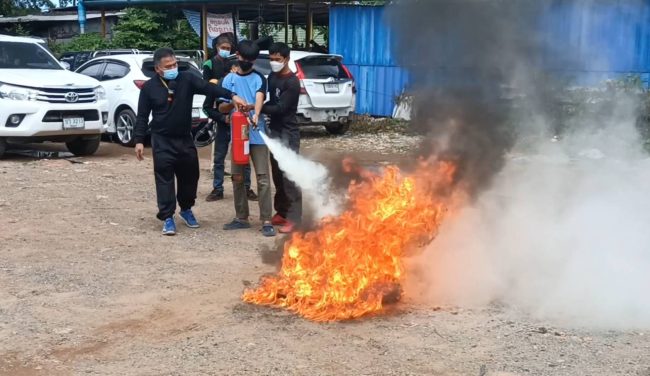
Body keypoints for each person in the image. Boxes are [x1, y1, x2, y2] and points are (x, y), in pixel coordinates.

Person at [134, 47, 246, 236]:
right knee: (164, 178)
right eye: (168, 66)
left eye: (175, 64)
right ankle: (167, 217)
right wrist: (138, 140)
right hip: (162, 140)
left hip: (185, 138)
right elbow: (142, 116)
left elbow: (209, 87)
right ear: (158, 69)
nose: (173, 68)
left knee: (190, 176)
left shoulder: (186, 79)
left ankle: (186, 209)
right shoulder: (149, 88)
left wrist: (231, 95)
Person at [217, 40, 276, 237]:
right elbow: (221, 106)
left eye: (251, 60)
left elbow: (259, 97)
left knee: (263, 178)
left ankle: (266, 219)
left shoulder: (260, 78)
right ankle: (241, 217)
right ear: (238, 56)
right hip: (238, 136)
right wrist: (233, 105)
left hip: (257, 136)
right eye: (244, 58)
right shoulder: (229, 80)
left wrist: (255, 113)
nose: (246, 62)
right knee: (237, 176)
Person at [202, 34, 256, 202]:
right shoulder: (211, 68)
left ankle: (246, 187)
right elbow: (207, 106)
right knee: (219, 156)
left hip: (241, 121)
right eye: (222, 48)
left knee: (243, 155)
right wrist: (222, 118)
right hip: (225, 120)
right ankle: (217, 188)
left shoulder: (237, 67)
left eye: (228, 48)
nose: (226, 51)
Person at [262, 42, 302, 233]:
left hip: (289, 133)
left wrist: (258, 107)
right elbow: (270, 100)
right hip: (275, 132)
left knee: (289, 176)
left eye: (277, 59)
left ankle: (295, 218)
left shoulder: (292, 82)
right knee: (277, 175)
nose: (274, 62)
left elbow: (280, 108)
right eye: (271, 59)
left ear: (286, 59)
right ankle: (281, 212)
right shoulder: (272, 77)